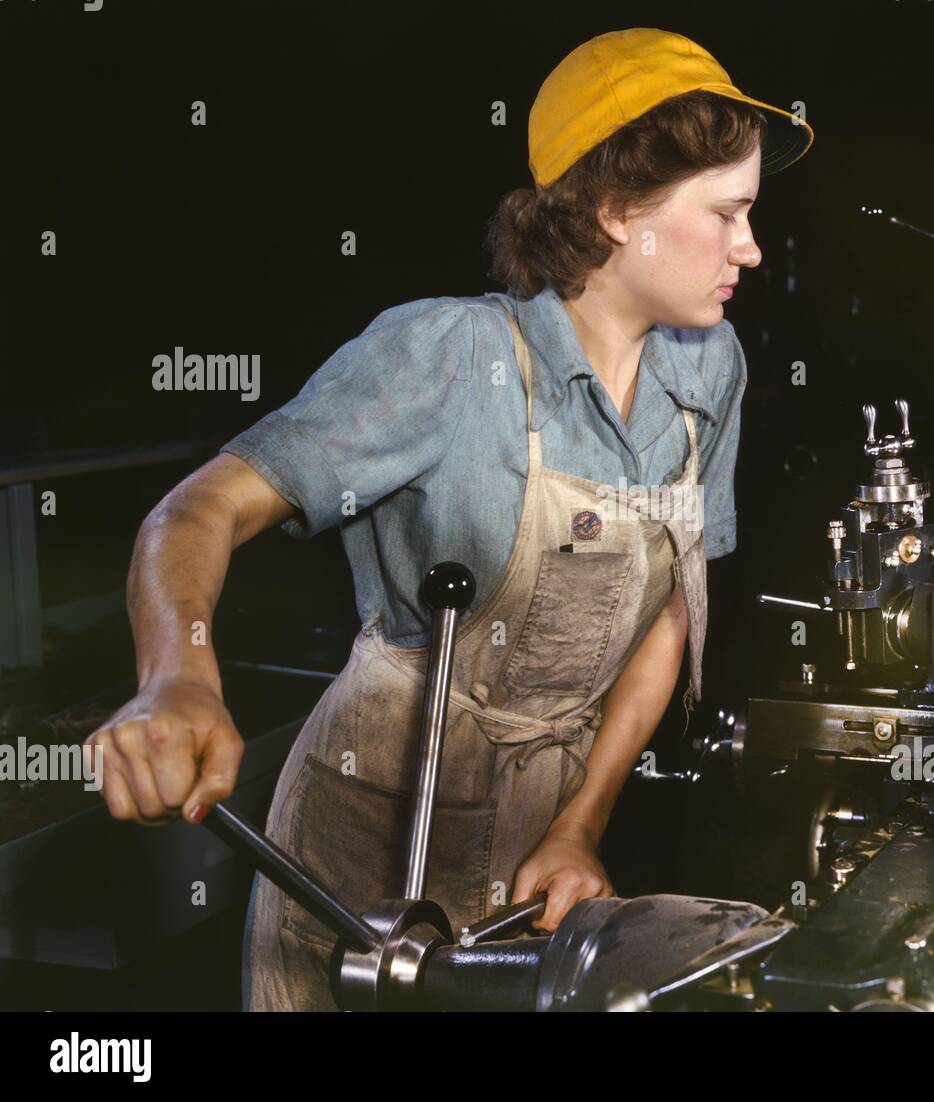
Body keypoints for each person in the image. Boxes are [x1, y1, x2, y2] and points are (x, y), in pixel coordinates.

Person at [86, 26, 812, 1011]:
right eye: (726, 215)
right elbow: (195, 510)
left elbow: (672, 610)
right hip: (366, 841)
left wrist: (581, 824)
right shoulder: (446, 358)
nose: (750, 248)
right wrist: (176, 679)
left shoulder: (705, 364)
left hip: (542, 834)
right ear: (614, 211)